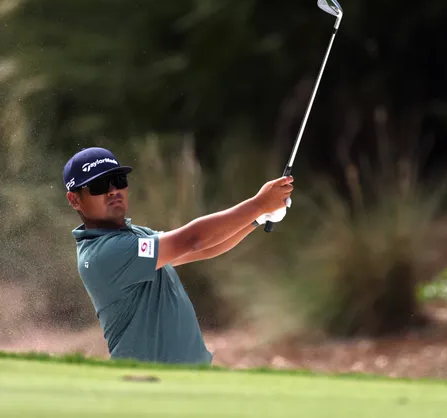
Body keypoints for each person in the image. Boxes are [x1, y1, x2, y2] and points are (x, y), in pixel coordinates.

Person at [63, 146, 293, 365]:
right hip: (150, 380)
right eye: (99, 185)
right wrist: (258, 204)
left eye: (118, 180)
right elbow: (192, 240)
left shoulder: (136, 236)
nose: (113, 190)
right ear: (74, 200)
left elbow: (203, 248)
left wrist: (257, 218)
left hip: (187, 377)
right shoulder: (105, 252)